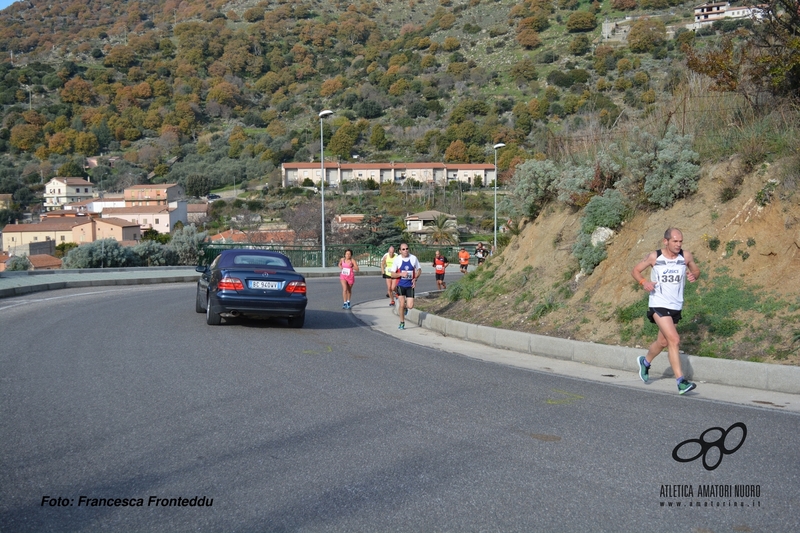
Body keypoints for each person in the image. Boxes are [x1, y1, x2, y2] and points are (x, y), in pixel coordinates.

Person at [631, 228, 701, 395]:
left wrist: (694, 275)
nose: (678, 244)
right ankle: (681, 382)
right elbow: (635, 270)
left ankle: (645, 362)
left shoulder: (686, 256)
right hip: (658, 304)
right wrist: (644, 283)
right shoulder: (655, 256)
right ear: (666, 241)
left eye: (680, 241)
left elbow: (696, 270)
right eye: (675, 241)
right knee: (674, 340)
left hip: (676, 305)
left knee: (663, 342)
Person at [391, 243, 421, 330]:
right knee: (401, 304)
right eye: (403, 249)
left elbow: (419, 270)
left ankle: (406, 308)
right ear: (400, 251)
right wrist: (400, 274)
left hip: (410, 285)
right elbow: (392, 274)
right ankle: (402, 322)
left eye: (407, 248)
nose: (405, 250)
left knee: (410, 306)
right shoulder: (397, 260)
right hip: (401, 285)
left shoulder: (413, 258)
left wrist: (415, 278)